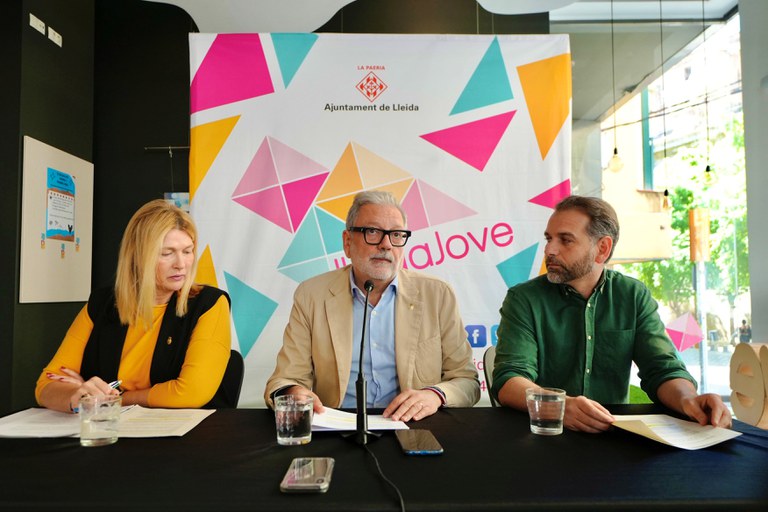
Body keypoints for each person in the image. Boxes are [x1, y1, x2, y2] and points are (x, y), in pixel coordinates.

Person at [491, 195, 731, 433]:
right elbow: (509, 378)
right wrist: (558, 407)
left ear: (602, 248)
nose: (549, 250)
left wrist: (689, 400)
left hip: (614, 435)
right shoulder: (524, 299)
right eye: (549, 238)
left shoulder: (633, 295)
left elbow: (662, 369)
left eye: (565, 240)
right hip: (545, 434)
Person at [264, 190, 480, 422]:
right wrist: (294, 392)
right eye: (373, 232)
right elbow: (285, 379)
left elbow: (467, 381)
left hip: (414, 424)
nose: (386, 245)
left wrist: (435, 395)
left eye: (396, 234)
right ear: (348, 242)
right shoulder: (312, 295)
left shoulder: (437, 294)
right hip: (337, 424)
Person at [36, 199, 232, 413]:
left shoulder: (209, 304)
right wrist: (76, 396)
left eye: (187, 251)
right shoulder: (102, 303)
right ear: (138, 255)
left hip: (185, 431)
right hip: (108, 428)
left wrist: (111, 399)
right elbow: (46, 386)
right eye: (167, 253)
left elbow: (191, 393)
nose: (181, 264)